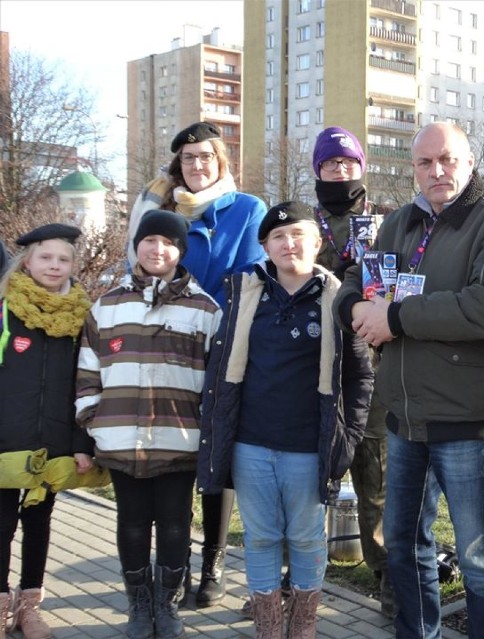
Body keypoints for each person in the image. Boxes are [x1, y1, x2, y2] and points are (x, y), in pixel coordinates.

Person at [333, 122, 484, 638]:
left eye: (447, 159)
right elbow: (357, 277)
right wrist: (356, 306)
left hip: (467, 420)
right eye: (424, 163)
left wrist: (395, 318)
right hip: (404, 416)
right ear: (413, 169)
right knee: (404, 546)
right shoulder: (400, 222)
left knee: (480, 561)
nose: (436, 171)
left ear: (470, 162)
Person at [197, 200, 372, 639]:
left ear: (316, 243)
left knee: (308, 539)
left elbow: (360, 377)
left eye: (298, 235)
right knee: (260, 538)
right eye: (278, 236)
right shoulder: (244, 293)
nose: (288, 243)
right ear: (265, 246)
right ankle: (269, 629)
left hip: (308, 447)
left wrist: (346, 439)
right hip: (251, 445)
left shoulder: (338, 300)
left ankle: (304, 628)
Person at [127, 121, 267, 608]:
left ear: (221, 161)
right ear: (178, 165)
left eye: (206, 156)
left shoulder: (247, 209)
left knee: (216, 454)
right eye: (188, 158)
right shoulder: (162, 209)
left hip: (223, 344)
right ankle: (175, 562)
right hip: (166, 349)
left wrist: (206, 321)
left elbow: (249, 277)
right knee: (177, 455)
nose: (197, 165)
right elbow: (144, 266)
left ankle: (213, 562)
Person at [76, 210, 221, 639]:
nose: (158, 250)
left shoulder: (204, 309)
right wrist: (94, 422)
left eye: (168, 243)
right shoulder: (107, 306)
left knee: (176, 523)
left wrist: (206, 434)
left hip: (179, 441)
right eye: (150, 241)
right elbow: (87, 372)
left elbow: (216, 385)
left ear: (181, 251)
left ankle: (167, 603)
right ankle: (139, 603)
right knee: (132, 522)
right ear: (137, 246)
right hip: (121, 439)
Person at [312, 126, 394, 616]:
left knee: (376, 477)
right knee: (307, 474)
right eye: (330, 164)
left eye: (347, 163)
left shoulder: (386, 222)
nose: (340, 171)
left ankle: (386, 576)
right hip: (316, 364)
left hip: (374, 368)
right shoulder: (303, 222)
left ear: (361, 167)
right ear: (318, 171)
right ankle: (297, 576)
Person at [0, 224, 93, 639]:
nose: (54, 266)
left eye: (63, 259)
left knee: (39, 523)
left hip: (52, 442)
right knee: (1, 524)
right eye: (45, 257)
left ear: (73, 265)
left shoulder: (82, 317)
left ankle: (30, 608)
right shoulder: (5, 308)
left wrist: (80, 444)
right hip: (5, 440)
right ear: (26, 261)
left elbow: (87, 385)